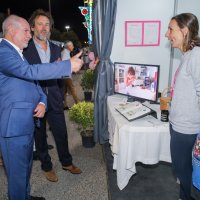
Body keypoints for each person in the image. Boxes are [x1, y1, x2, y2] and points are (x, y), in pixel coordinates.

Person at [0, 15, 83, 200]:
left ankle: (25, 196)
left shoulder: (15, 52)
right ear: (12, 31)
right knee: (17, 174)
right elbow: (29, 72)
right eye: (26, 31)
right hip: (13, 126)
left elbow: (31, 81)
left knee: (25, 168)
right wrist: (67, 65)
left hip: (25, 121)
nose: (29, 35)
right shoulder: (3, 51)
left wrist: (42, 100)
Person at [23, 9, 82, 183]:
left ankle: (66, 162)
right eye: (40, 24)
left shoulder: (56, 49)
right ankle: (47, 166)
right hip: (35, 100)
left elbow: (63, 72)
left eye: (47, 24)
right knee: (39, 135)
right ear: (32, 28)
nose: (44, 28)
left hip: (55, 97)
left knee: (61, 132)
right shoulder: (25, 50)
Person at [165, 13, 200, 200]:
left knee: (183, 170)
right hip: (179, 124)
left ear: (184, 31)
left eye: (171, 29)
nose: (166, 34)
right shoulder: (187, 55)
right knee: (182, 169)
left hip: (187, 128)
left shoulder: (196, 56)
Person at [62, 40, 80, 110]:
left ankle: (64, 105)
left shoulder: (65, 52)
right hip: (66, 75)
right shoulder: (66, 53)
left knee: (64, 91)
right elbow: (64, 63)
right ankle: (79, 103)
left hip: (64, 75)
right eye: (72, 45)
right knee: (72, 89)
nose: (73, 46)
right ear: (69, 46)